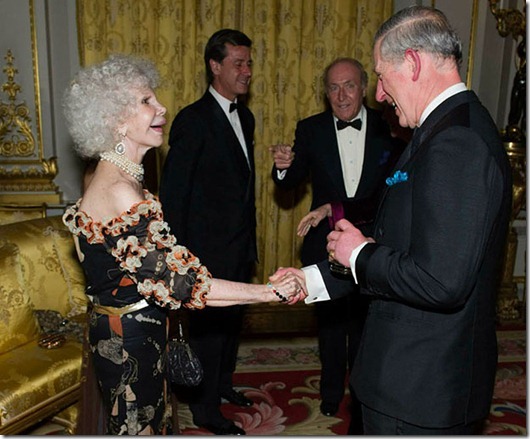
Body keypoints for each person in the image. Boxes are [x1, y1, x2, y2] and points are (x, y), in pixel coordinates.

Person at [277, 5, 512, 435]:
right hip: (403, 380)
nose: (379, 94)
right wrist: (313, 280)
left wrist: (360, 253)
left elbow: (441, 279)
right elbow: (400, 245)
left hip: (422, 388)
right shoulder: (437, 131)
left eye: (381, 76)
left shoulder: (457, 141)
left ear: (414, 63)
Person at [61, 54, 305, 435]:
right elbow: (186, 286)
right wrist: (268, 292)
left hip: (132, 332)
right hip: (129, 341)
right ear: (115, 119)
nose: (162, 107)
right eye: (146, 101)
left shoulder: (119, 180)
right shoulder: (120, 191)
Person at [270, 57, 402, 431]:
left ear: (364, 88)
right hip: (323, 243)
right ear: (324, 92)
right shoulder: (310, 129)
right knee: (329, 327)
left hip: (372, 244)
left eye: (349, 85)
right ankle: (330, 394)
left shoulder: (389, 126)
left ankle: (361, 395)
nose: (341, 95)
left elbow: (387, 192)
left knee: (365, 325)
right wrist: (283, 166)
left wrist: (339, 208)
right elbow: (290, 180)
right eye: (333, 87)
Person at [158, 29, 258, 435]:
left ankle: (222, 385)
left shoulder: (245, 116)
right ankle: (204, 410)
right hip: (204, 252)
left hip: (238, 247)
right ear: (215, 66)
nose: (247, 71)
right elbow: (174, 195)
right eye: (238, 63)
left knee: (230, 329)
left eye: (249, 63)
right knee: (208, 335)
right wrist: (181, 259)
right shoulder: (192, 120)